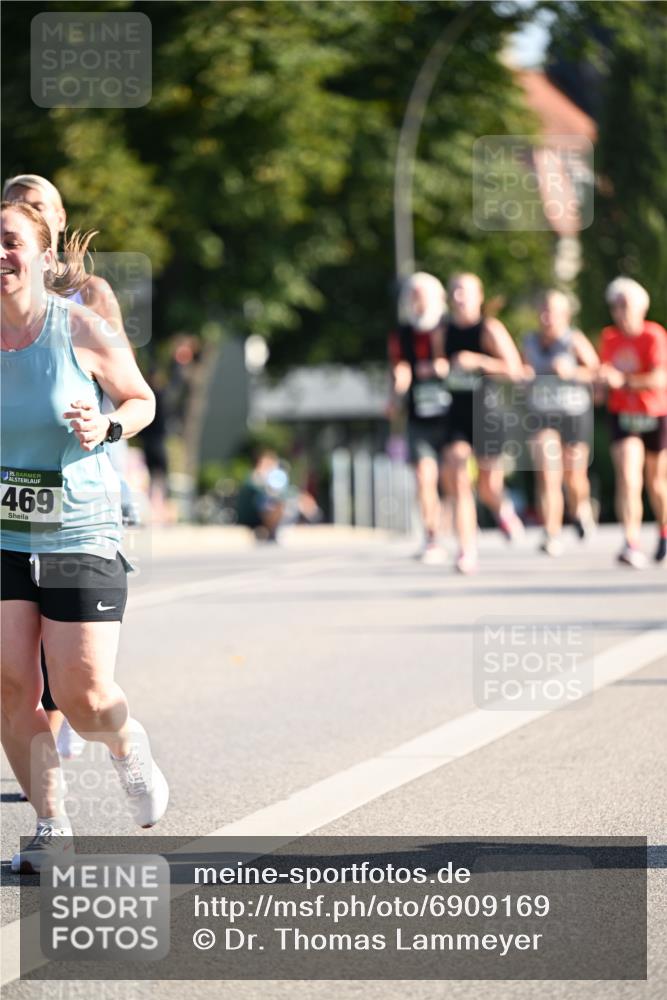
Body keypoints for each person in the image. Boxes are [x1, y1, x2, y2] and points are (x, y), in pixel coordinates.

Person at [0, 200, 169, 873]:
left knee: (83, 694)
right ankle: (51, 827)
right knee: (12, 684)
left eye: (11, 241)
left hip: (79, 527)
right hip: (6, 530)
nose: (0, 255)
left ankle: (126, 746)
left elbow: (140, 398)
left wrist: (107, 428)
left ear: (42, 255)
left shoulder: (76, 326)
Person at [2, 173, 140, 762]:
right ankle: (50, 806)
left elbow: (125, 386)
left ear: (55, 224)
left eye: (38, 208)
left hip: (86, 468)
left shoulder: (90, 296)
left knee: (75, 671)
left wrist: (103, 426)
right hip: (12, 490)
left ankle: (76, 716)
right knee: (14, 668)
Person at [441, 272, 525, 574]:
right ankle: (466, 550)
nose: (460, 297)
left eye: (465, 291)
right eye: (455, 292)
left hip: (487, 413)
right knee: (459, 478)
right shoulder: (444, 331)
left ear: (479, 296)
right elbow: (439, 365)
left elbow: (516, 371)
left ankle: (502, 510)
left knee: (489, 486)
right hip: (456, 414)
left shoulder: (489, 329)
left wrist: (479, 362)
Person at [522, 290, 600, 556]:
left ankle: (581, 507)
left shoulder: (574, 340)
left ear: (565, 315)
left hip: (573, 413)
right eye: (543, 311)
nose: (546, 317)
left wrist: (573, 372)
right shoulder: (529, 341)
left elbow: (597, 373)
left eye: (552, 312)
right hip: (542, 414)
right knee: (547, 474)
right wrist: (524, 377)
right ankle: (551, 532)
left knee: (574, 477)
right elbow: (520, 371)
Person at [598, 277, 667, 567]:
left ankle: (663, 531)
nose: (620, 311)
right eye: (615, 305)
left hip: (654, 413)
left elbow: (659, 377)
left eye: (625, 305)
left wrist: (623, 381)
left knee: (656, 483)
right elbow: (604, 378)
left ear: (641, 306)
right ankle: (631, 541)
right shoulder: (610, 338)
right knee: (628, 475)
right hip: (622, 415)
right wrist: (599, 384)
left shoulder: (654, 335)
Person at [389, 272, 450, 563]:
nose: (417, 302)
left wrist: (442, 367)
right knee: (424, 478)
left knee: (453, 479)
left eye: (421, 295)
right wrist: (395, 395)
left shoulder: (449, 327)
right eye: (412, 296)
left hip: (452, 415)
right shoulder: (403, 333)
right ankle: (432, 538)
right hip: (419, 414)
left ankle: (465, 530)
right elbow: (401, 368)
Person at [237, 449, 289, 541]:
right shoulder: (254, 476)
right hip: (251, 514)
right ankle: (269, 530)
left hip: (266, 512)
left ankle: (272, 530)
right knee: (269, 505)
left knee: (277, 505)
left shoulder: (275, 477)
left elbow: (282, 493)